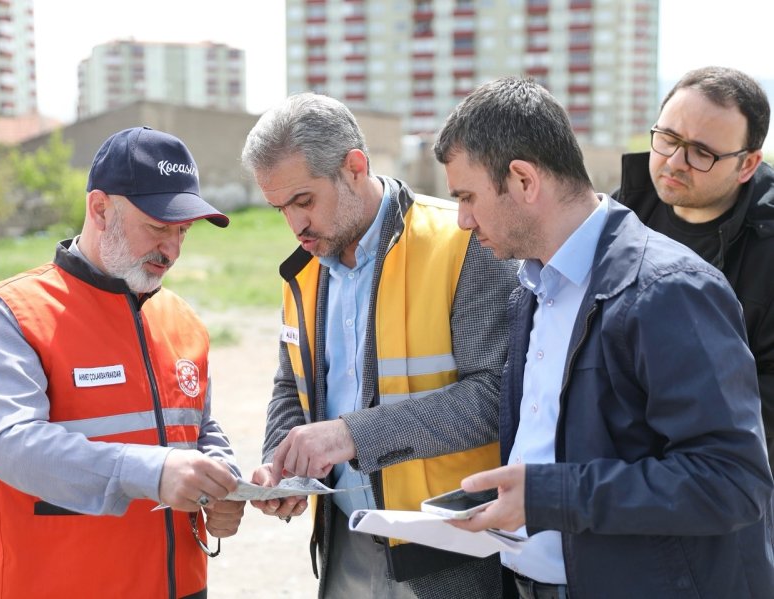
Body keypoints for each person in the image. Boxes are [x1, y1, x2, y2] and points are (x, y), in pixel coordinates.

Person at [432, 76, 774, 598]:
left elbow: (730, 483)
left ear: (524, 180)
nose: (462, 219)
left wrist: (551, 494)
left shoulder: (670, 290)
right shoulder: (531, 284)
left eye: (467, 196)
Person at [241, 92, 519, 598]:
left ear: (353, 166)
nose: (294, 225)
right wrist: (280, 464)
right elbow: (292, 385)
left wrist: (350, 436)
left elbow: (497, 397)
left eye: (303, 201)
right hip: (345, 543)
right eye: (279, 208)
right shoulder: (302, 271)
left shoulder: (463, 242)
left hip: (448, 551)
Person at [0, 126, 246, 599]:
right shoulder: (11, 314)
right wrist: (153, 472)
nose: (172, 250)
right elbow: (9, 444)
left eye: (182, 231)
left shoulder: (183, 320)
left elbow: (199, 427)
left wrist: (219, 478)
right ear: (100, 208)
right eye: (158, 227)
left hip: (181, 587)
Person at [613, 66, 774, 472]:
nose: (675, 161)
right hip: (622, 467)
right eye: (667, 138)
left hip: (727, 479)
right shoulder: (622, 215)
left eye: (702, 152)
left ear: (748, 165)